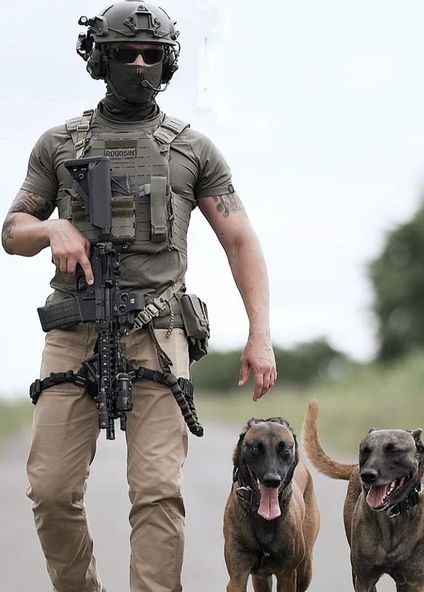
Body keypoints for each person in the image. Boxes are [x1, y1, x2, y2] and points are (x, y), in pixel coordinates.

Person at [1, 1, 277, 591]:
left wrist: (259, 334)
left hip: (158, 334)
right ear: (98, 60)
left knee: (157, 491)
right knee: (50, 490)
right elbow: (12, 231)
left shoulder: (192, 149)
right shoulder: (60, 143)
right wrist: (53, 227)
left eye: (152, 55)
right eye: (124, 53)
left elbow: (240, 240)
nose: (138, 64)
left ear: (168, 63)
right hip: (74, 332)